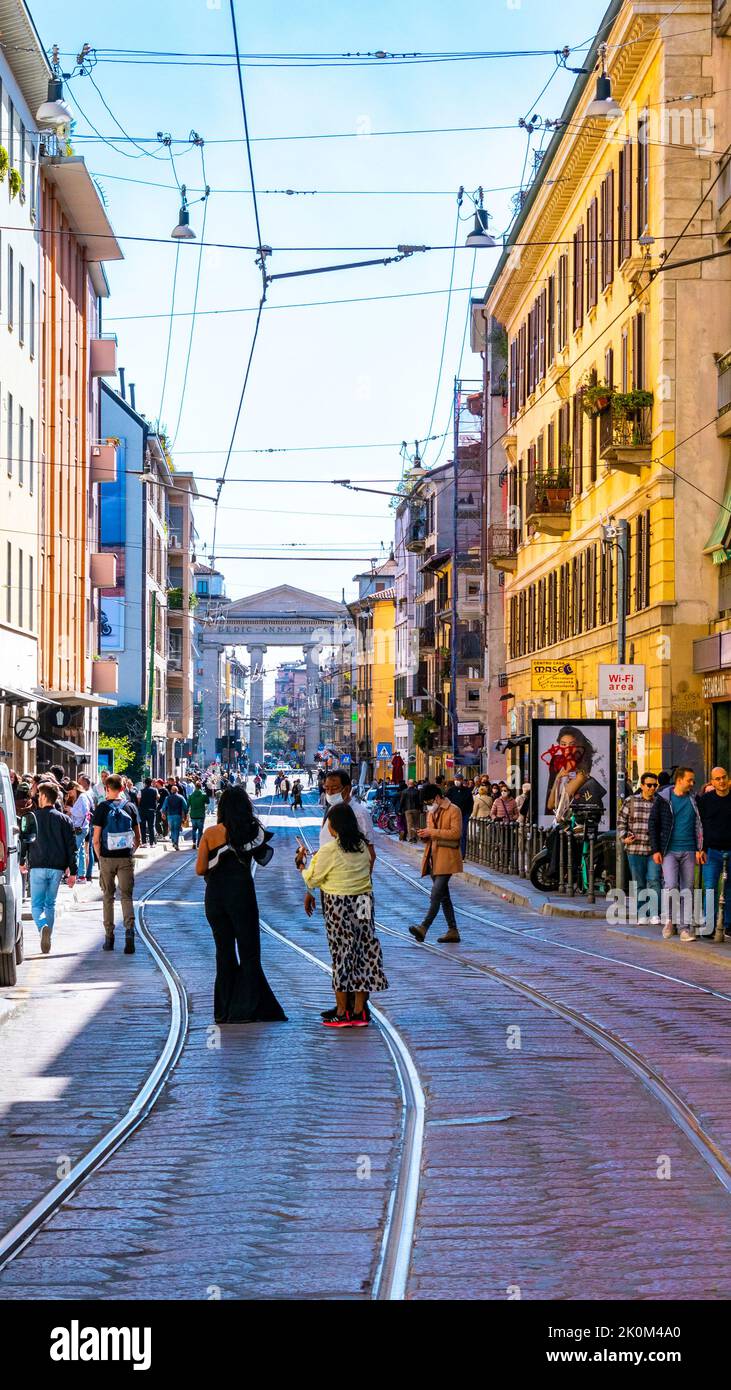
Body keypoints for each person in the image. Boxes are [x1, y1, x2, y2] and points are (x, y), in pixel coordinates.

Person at [195, 785, 286, 1025]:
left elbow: (200, 869)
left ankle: (223, 1010)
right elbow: (264, 858)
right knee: (249, 952)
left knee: (223, 952)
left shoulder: (210, 833)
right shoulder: (251, 830)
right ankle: (248, 1008)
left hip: (215, 897)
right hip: (242, 895)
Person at [296, 802, 388, 1028]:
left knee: (342, 953)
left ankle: (341, 1011)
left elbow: (312, 878)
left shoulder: (330, 850)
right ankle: (359, 1011)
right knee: (364, 949)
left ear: (333, 826)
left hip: (339, 903)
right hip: (364, 900)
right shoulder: (362, 846)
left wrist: (301, 864)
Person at [20, 781, 77, 954]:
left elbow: (25, 841)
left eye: (38, 794)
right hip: (57, 867)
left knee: (37, 905)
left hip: (37, 865)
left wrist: (22, 861)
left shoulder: (31, 817)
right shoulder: (65, 820)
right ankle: (48, 935)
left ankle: (42, 927)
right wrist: (73, 871)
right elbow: (71, 846)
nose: (37, 797)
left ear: (44, 796)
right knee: (50, 904)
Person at [649, 766, 704, 942]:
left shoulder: (694, 799)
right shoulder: (664, 799)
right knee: (671, 885)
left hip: (689, 849)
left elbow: (700, 825)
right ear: (679, 780)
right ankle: (670, 922)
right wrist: (656, 850)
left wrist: (699, 848)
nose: (692, 783)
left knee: (687, 889)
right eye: (689, 780)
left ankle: (685, 928)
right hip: (669, 850)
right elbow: (653, 824)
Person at [92, 773, 141, 953]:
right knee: (126, 897)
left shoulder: (102, 808)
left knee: (108, 897)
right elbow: (138, 839)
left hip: (106, 858)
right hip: (125, 858)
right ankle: (129, 934)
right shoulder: (130, 807)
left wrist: (100, 857)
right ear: (123, 788)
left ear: (107, 788)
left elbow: (96, 839)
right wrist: (129, 853)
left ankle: (109, 937)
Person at [409, 782, 463, 944]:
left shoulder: (454, 810)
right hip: (432, 858)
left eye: (429, 801)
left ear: (438, 797)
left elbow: (455, 833)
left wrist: (431, 832)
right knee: (444, 896)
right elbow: (431, 834)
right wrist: (424, 835)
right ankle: (453, 930)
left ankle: (423, 927)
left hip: (447, 857)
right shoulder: (431, 812)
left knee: (436, 894)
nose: (428, 804)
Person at [617, 772, 662, 924]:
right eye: (649, 785)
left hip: (653, 850)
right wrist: (624, 837)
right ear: (642, 785)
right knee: (639, 882)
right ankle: (642, 913)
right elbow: (621, 820)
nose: (652, 788)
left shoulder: (659, 802)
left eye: (655, 785)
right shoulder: (631, 801)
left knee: (654, 880)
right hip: (635, 849)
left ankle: (654, 913)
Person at [698, 766, 731, 940]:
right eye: (717, 779)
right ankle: (710, 925)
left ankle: (728, 925)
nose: (721, 781)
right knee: (710, 887)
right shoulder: (706, 800)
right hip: (712, 851)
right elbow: (700, 827)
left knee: (730, 887)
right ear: (712, 781)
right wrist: (701, 849)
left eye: (724, 777)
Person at [66, 781, 93, 881]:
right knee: (80, 850)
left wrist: (71, 810)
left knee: (75, 850)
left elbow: (83, 812)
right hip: (81, 827)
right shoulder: (82, 797)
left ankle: (76, 874)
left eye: (70, 792)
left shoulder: (82, 797)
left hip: (80, 827)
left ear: (74, 788)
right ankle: (81, 875)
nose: (70, 794)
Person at [447, 775, 474, 857]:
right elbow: (447, 802)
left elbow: (471, 804)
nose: (457, 781)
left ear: (462, 780)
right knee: (452, 833)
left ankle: (462, 854)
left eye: (458, 779)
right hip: (453, 815)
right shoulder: (451, 790)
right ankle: (452, 851)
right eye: (455, 779)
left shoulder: (467, 791)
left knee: (463, 834)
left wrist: (468, 814)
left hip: (464, 815)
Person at [165, 783, 188, 850]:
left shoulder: (167, 798)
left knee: (172, 829)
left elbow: (164, 807)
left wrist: (163, 813)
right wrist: (185, 814)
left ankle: (173, 841)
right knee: (177, 830)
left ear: (171, 791)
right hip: (178, 815)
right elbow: (185, 806)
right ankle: (176, 843)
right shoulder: (181, 797)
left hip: (170, 815)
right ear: (177, 790)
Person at [399, 779, 422, 843]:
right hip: (416, 809)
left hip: (407, 809)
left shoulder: (404, 791)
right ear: (413, 784)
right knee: (416, 824)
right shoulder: (417, 791)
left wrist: (400, 810)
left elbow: (402, 801)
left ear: (408, 783)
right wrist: (421, 809)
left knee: (409, 824)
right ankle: (415, 837)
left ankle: (411, 837)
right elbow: (420, 801)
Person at [138, 777, 159, 847]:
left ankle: (144, 843)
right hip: (151, 810)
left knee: (143, 826)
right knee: (151, 826)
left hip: (143, 810)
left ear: (145, 783)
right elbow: (157, 797)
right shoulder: (155, 790)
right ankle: (152, 843)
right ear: (151, 783)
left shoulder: (141, 791)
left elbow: (139, 800)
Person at [188, 780, 208, 848]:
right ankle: (199, 843)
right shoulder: (203, 795)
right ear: (200, 787)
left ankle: (193, 842)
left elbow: (188, 805)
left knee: (193, 829)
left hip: (193, 815)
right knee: (200, 830)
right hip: (201, 815)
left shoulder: (191, 796)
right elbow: (208, 802)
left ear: (195, 787)